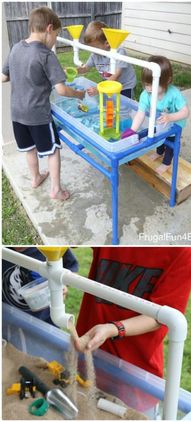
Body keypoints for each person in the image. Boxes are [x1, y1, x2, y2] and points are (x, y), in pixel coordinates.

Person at [75, 247, 191, 381]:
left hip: (134, 367)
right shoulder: (111, 228)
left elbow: (163, 316)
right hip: (87, 349)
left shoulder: (181, 251)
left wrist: (114, 328)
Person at [2, 6, 85, 200]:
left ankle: (36, 178)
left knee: (29, 148)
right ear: (49, 28)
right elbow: (62, 90)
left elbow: (3, 77)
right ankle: (56, 189)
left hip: (17, 113)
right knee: (53, 150)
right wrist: (79, 94)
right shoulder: (46, 55)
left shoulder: (16, 48)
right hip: (38, 115)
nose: (55, 40)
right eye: (56, 35)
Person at [122, 56, 190, 175]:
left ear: (167, 81)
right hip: (159, 122)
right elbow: (140, 113)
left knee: (170, 144)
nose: (148, 88)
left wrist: (170, 117)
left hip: (174, 125)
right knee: (158, 137)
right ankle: (159, 152)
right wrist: (132, 130)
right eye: (145, 84)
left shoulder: (174, 94)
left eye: (152, 85)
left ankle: (167, 162)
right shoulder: (146, 94)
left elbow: (185, 112)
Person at [2, 247, 79, 325]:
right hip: (9, 319)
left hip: (47, 317)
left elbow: (71, 270)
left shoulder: (51, 247)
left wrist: (62, 285)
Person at [77, 21, 136, 99]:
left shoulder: (119, 52)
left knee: (124, 105)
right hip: (108, 83)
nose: (92, 51)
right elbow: (85, 68)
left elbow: (116, 75)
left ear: (107, 43)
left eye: (94, 48)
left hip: (124, 86)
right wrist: (75, 71)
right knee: (109, 104)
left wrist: (98, 89)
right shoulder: (95, 54)